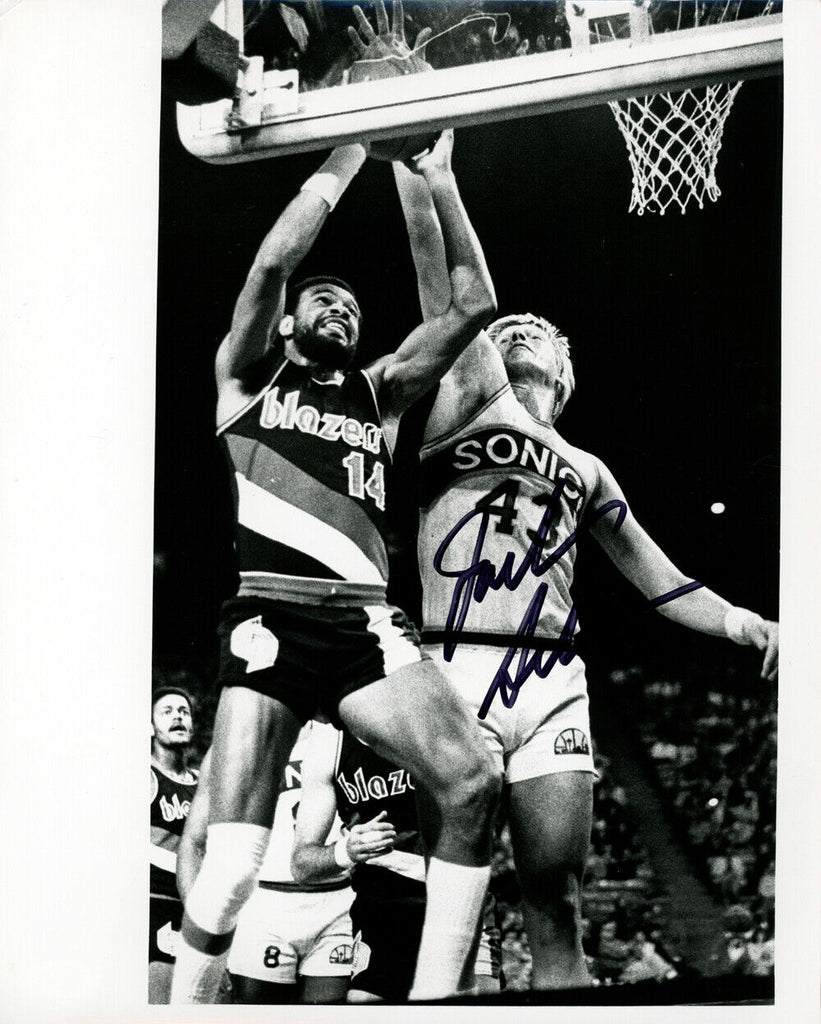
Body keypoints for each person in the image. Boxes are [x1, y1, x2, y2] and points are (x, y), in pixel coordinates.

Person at [392, 159, 779, 990]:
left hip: (552, 680)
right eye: (507, 328)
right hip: (453, 665)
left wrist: (743, 622)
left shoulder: (588, 467)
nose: (518, 329)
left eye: (535, 333)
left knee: (555, 898)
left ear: (563, 382)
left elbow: (660, 581)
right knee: (453, 900)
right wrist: (421, 175)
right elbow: (439, 281)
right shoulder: (468, 396)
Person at [168, 98, 502, 1001]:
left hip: (364, 624)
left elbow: (475, 304)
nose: (341, 310)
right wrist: (354, 138)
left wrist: (436, 178)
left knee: (473, 780)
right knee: (233, 859)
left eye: (352, 307)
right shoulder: (246, 378)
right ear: (285, 323)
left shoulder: (378, 393)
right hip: (270, 613)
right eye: (325, 300)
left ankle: (435, 1002)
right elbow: (275, 263)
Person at [291, 722, 502, 1002]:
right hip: (382, 909)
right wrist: (346, 850)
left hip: (459, 898)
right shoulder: (329, 742)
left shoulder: (442, 714)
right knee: (365, 1004)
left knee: (474, 1011)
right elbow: (302, 864)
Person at [178, 723, 354, 1003]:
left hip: (337, 902)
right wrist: (206, 944)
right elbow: (192, 844)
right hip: (263, 906)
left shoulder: (343, 735)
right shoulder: (233, 742)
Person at [149, 687, 199, 1003]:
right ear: (150, 726)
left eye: (183, 711)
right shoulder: (145, 776)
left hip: (197, 909)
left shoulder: (202, 784)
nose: (177, 716)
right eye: (166, 712)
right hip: (157, 903)